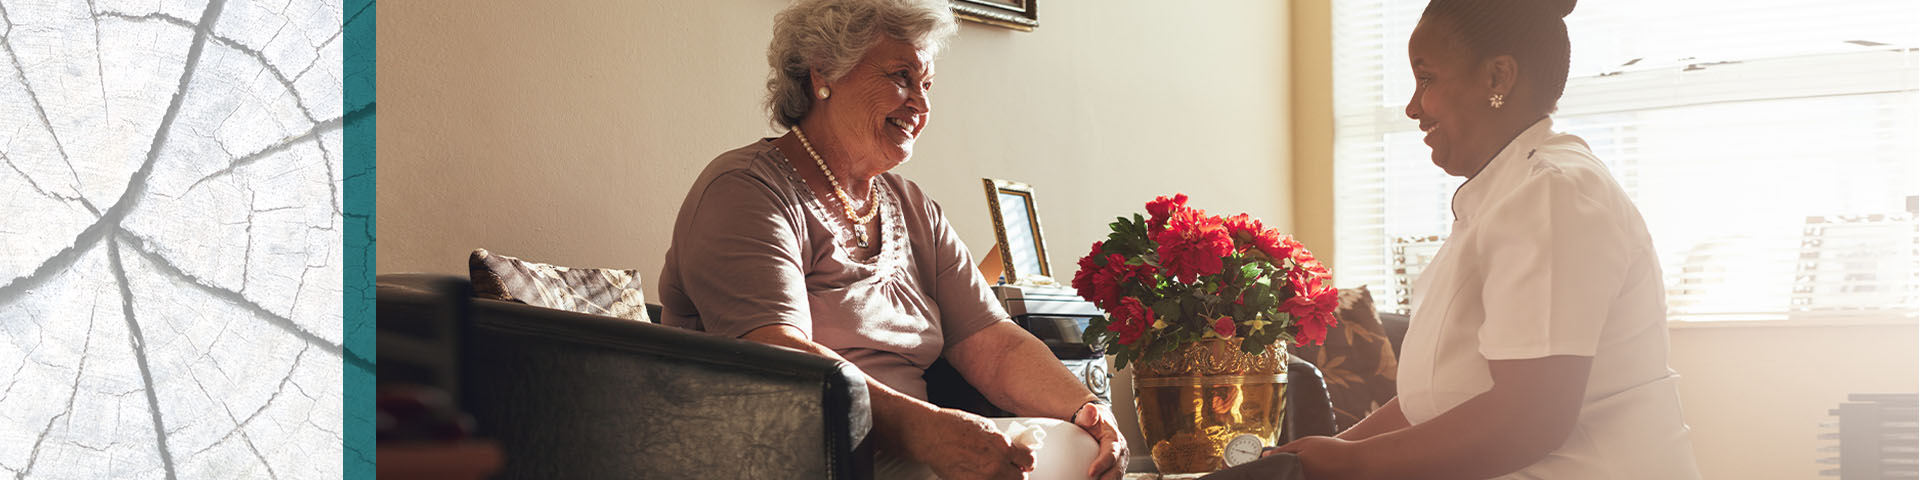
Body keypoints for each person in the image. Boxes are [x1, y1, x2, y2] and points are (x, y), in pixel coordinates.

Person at [656, 1, 1127, 478]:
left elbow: (995, 344)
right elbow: (779, 355)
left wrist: (1088, 410)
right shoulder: (744, 191)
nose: (921, 105)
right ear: (824, 72)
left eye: (927, 85)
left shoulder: (912, 207)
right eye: (902, 76)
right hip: (785, 459)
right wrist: (929, 432)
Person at [1264, 0, 1702, 478]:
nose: (1413, 107)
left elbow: (1530, 420)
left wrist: (1353, 463)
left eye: (1426, 79)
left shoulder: (1552, 193)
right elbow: (1434, 397)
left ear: (1498, 77)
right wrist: (1316, 455)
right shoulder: (1504, 196)